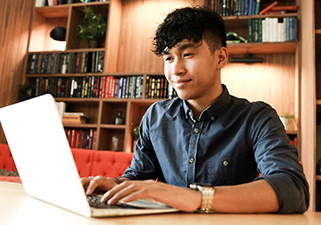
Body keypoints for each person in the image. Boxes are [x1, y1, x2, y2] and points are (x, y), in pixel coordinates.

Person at [81, 6, 309, 214]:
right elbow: (139, 176)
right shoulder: (156, 116)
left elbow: (293, 188)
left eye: (187, 54)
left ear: (220, 57)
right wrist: (116, 184)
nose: (176, 70)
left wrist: (197, 198)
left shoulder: (256, 118)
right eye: (168, 58)